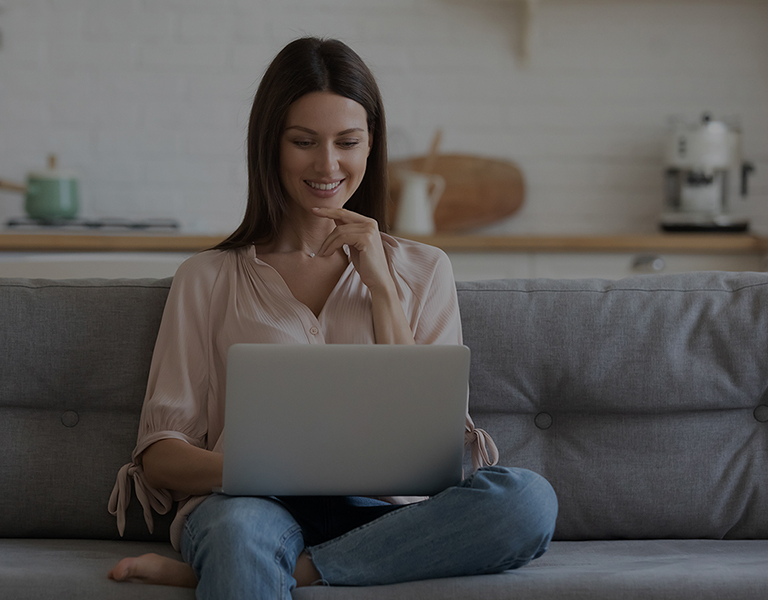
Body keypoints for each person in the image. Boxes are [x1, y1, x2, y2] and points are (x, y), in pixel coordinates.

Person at [107, 37, 557, 598]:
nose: (327, 165)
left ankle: (291, 571)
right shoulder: (207, 278)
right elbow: (160, 459)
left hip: (385, 515)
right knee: (239, 533)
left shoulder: (425, 268)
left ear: (372, 146)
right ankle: (252, 560)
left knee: (528, 500)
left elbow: (430, 445)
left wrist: (382, 290)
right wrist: (267, 469)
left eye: (348, 142)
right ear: (270, 146)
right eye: (303, 142)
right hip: (250, 507)